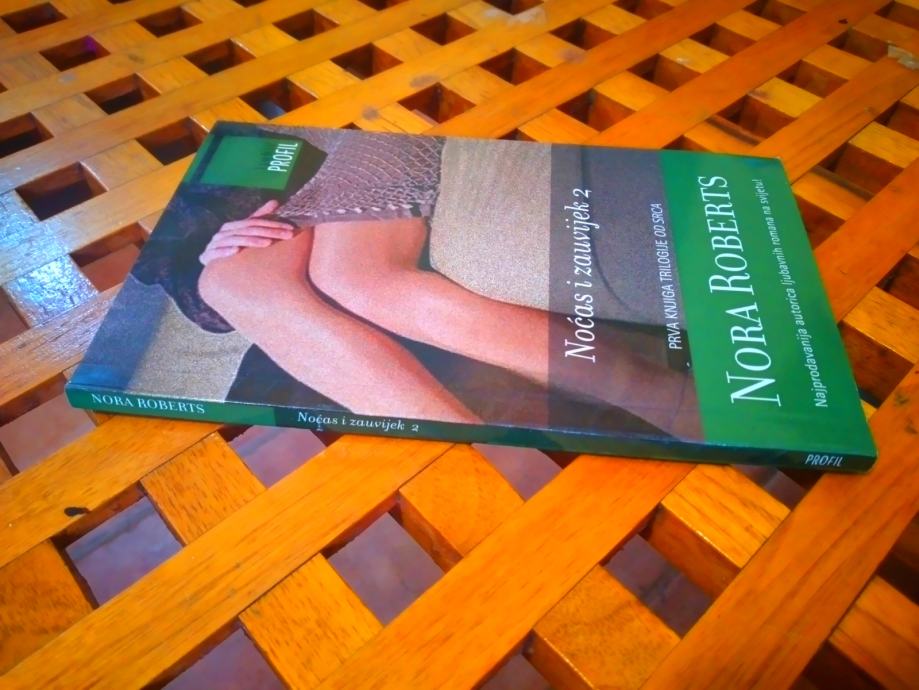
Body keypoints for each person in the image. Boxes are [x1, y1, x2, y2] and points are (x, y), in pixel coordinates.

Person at [198, 130, 699, 437]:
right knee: (225, 282)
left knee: (355, 278)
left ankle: (666, 398)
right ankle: (467, 462)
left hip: (364, 138)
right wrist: (209, 242)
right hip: (291, 182)